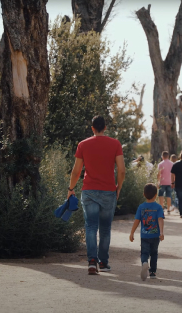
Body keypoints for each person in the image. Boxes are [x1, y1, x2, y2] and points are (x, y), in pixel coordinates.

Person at [67, 115, 125, 275]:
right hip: (108, 191)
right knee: (105, 228)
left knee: (91, 226)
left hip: (89, 191)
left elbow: (76, 171)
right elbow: (121, 170)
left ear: (92, 128)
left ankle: (92, 262)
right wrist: (118, 187)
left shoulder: (83, 145)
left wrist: (70, 188)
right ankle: (103, 263)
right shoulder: (115, 144)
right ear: (105, 127)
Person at [129, 183, 165, 281]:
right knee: (154, 253)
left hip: (144, 235)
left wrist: (132, 232)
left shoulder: (141, 207)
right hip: (155, 235)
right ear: (156, 195)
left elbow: (137, 221)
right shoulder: (158, 207)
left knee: (144, 252)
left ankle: (144, 262)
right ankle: (152, 272)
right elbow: (160, 219)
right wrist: (161, 232)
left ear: (144, 194)